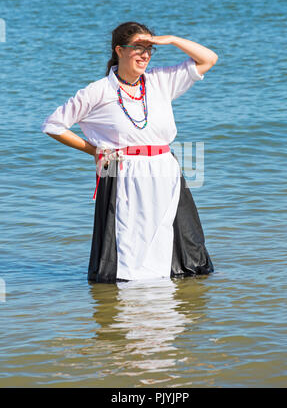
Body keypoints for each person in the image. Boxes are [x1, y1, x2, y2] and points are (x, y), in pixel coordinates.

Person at [41, 21, 217, 283]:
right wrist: (94, 150)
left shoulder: (160, 81)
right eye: (138, 47)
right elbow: (53, 125)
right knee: (130, 247)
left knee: (173, 241)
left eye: (149, 49)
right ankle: (132, 306)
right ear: (119, 50)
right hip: (125, 171)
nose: (145, 54)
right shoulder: (98, 91)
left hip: (164, 168)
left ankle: (165, 305)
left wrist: (170, 40)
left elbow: (209, 59)